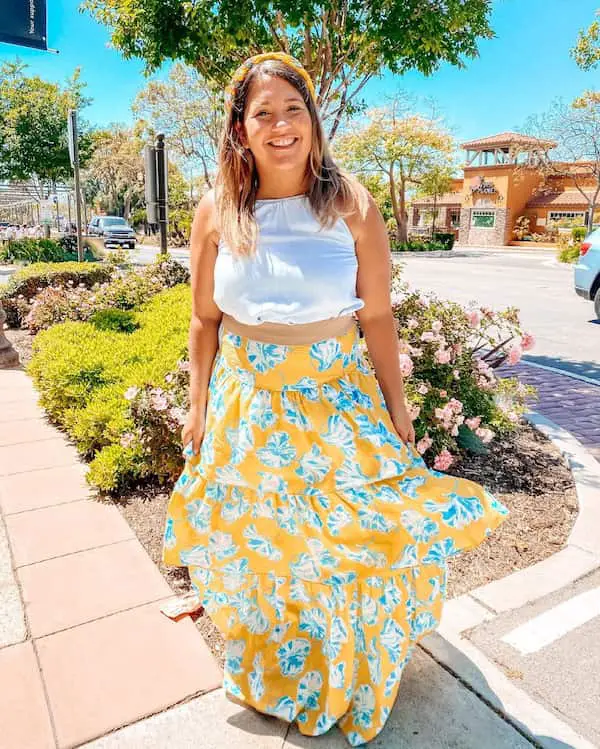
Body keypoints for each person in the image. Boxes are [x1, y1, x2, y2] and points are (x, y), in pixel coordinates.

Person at [161, 52, 508, 746]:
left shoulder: (351, 202)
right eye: (263, 112)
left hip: (334, 403)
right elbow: (204, 320)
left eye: (294, 109)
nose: (281, 125)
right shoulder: (214, 210)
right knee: (271, 549)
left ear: (313, 120)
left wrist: (399, 407)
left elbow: (377, 315)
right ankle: (276, 669)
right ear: (240, 127)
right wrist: (198, 405)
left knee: (344, 547)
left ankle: (343, 669)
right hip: (247, 405)